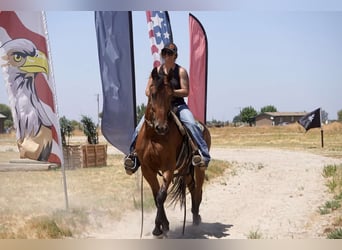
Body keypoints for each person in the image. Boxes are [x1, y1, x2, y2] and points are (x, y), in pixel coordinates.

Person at [124, 42, 210, 175]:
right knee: (138, 128)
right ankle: (133, 157)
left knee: (191, 124)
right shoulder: (157, 71)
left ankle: (202, 154)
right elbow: (147, 90)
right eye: (164, 53)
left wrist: (171, 92)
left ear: (175, 56)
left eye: (170, 53)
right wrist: (156, 94)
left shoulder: (180, 71)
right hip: (159, 107)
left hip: (177, 105)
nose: (166, 55)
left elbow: (186, 91)